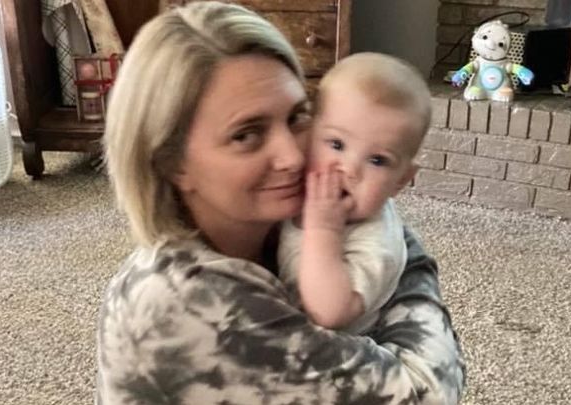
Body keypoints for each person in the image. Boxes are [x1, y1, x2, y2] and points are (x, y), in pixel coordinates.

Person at [97, 2, 465, 404]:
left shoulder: (274, 228)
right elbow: (427, 393)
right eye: (246, 135)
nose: (292, 156)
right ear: (172, 163)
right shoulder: (183, 301)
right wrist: (409, 260)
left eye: (296, 117)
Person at [278, 52, 431, 334]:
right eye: (336, 144)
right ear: (309, 133)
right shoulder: (299, 192)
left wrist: (323, 229)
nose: (349, 169)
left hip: (327, 353)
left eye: (377, 160)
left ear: (400, 181)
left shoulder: (376, 240)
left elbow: (330, 313)